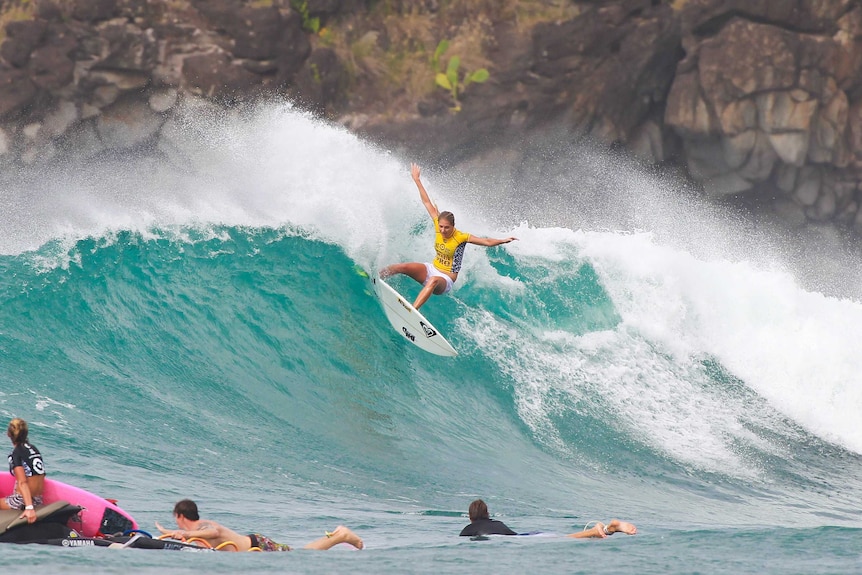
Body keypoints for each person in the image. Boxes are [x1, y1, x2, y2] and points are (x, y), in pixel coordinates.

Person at [380, 163, 518, 310]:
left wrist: (503, 240)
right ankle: (374, 277)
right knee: (403, 266)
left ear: (453, 226)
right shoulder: (437, 225)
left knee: (433, 280)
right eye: (441, 227)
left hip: (445, 280)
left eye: (447, 227)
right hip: (431, 268)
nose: (443, 230)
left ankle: (412, 311)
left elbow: (486, 241)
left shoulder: (461, 237)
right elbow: (426, 202)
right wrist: (417, 180)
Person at [155, 499, 364, 551]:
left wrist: (177, 532)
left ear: (181, 516)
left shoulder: (202, 527)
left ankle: (340, 536)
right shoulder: (198, 530)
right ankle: (338, 536)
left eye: (176, 519)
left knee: (302, 553)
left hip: (260, 546)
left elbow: (215, 532)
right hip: (255, 542)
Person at [459, 499, 637, 539]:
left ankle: (598, 530)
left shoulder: (467, 531)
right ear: (488, 513)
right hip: (528, 535)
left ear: (470, 516)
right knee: (565, 536)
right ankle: (608, 529)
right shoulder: (497, 523)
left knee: (567, 539)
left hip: (526, 540)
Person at [0, 418, 46, 524]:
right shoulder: (33, 449)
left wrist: (29, 508)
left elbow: (22, 482)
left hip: (22, 502)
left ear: (8, 434)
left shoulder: (16, 453)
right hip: (38, 499)